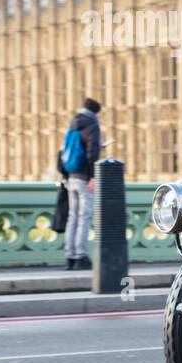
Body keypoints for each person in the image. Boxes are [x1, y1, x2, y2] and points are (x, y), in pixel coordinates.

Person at [56, 98, 102, 270]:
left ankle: (69, 256)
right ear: (96, 112)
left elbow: (62, 152)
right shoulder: (92, 124)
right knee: (84, 217)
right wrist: (93, 177)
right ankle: (80, 257)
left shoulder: (72, 123)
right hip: (84, 177)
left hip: (71, 177)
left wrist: (65, 174)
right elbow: (92, 153)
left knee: (72, 217)